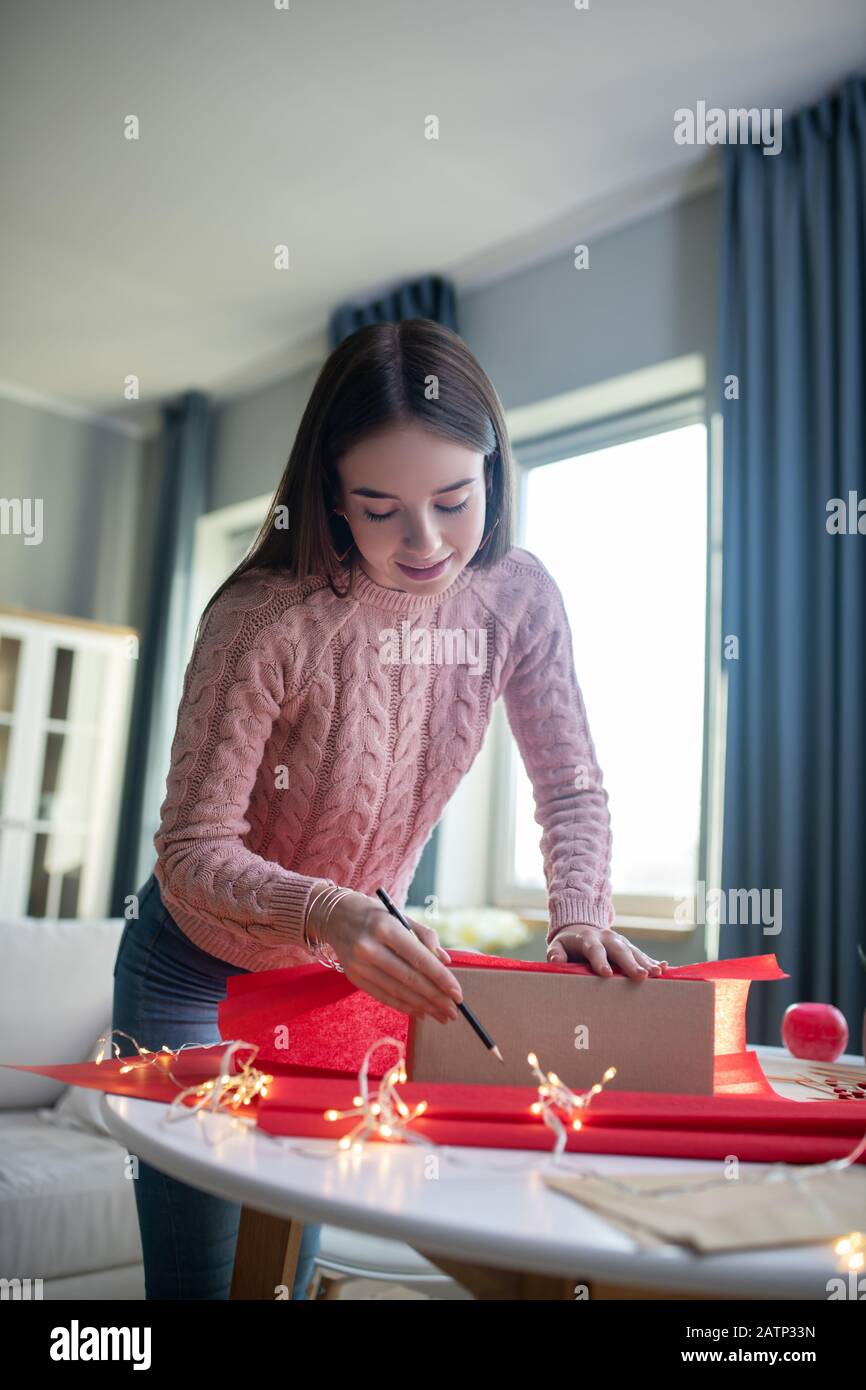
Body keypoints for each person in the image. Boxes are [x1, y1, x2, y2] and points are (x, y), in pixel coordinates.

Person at [113, 316, 667, 1301]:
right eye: (380, 509)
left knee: (288, 1265)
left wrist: (578, 914)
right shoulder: (266, 619)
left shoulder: (517, 598)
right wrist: (327, 909)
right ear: (330, 494)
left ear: (493, 473)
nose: (424, 543)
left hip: (340, 973)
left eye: (454, 501)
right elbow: (192, 851)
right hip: (195, 965)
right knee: (204, 1281)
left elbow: (570, 783)